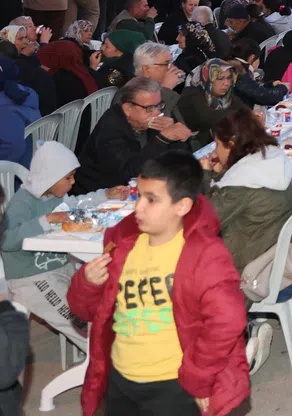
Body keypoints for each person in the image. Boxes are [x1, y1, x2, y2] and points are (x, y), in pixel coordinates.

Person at [67, 151, 250, 416]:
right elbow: (85, 312)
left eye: (151, 200)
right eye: (139, 196)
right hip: (120, 379)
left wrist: (198, 377)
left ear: (182, 206)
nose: (138, 207)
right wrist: (87, 283)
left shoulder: (205, 255)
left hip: (174, 385)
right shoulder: (123, 245)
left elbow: (227, 322)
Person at [0, 142, 129, 349]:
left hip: (63, 268)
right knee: (81, 322)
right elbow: (6, 240)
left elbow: (77, 205)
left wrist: (105, 195)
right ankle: (104, 355)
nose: (73, 182)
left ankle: (114, 346)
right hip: (32, 279)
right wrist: (48, 219)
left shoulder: (53, 196)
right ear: (49, 178)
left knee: (101, 298)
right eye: (68, 178)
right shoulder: (22, 202)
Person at [200, 108, 292, 330]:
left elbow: (204, 219)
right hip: (276, 257)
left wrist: (206, 177)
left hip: (250, 271)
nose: (216, 151)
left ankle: (236, 337)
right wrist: (222, 173)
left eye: (217, 145)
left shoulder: (241, 185)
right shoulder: (272, 161)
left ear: (232, 144)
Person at [176, 59, 246, 146]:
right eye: (220, 78)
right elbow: (210, 117)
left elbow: (244, 109)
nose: (227, 83)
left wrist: (253, 115)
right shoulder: (191, 95)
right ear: (207, 78)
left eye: (229, 78)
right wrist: (242, 115)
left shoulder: (224, 95)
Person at [0, 56, 41, 165]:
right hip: (35, 161)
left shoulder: (4, 109)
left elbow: (12, 147)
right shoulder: (24, 93)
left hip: (18, 170)